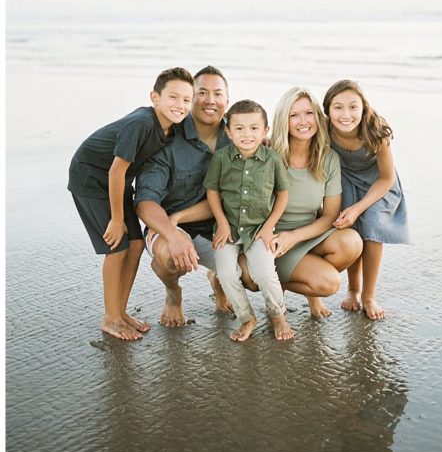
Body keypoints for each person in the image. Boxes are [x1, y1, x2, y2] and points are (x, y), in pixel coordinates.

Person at [68, 67, 194, 341]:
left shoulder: (170, 127)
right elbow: (115, 170)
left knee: (135, 245)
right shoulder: (141, 123)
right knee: (117, 247)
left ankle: (120, 311)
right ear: (155, 97)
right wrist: (116, 219)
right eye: (173, 97)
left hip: (119, 183)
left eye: (187, 99)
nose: (180, 105)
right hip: (91, 178)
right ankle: (110, 317)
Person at [135, 65, 234, 326]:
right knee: (170, 257)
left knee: (249, 275)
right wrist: (171, 232)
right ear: (191, 96)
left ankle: (219, 279)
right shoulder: (167, 137)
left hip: (219, 225)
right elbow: (145, 202)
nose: (210, 100)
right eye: (201, 92)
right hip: (168, 226)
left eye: (218, 93)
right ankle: (173, 295)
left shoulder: (238, 137)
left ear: (228, 100)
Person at [269, 87, 364, 318]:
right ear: (284, 120)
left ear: (318, 117)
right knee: (329, 283)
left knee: (351, 241)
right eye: (294, 115)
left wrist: (295, 237)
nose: (303, 121)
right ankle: (272, 287)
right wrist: (282, 239)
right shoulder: (269, 153)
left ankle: (304, 290)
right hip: (273, 241)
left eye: (309, 113)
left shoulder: (328, 157)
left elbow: (330, 216)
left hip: (307, 234)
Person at [204, 99, 291, 341]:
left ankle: (277, 315)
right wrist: (221, 222)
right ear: (228, 132)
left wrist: (269, 227)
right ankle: (247, 318)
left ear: (265, 131)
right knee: (226, 273)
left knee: (264, 274)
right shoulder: (221, 158)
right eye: (239, 128)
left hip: (258, 230)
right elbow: (213, 191)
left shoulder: (272, 159)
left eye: (254, 128)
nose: (247, 134)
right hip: (228, 229)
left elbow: (283, 194)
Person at [323, 80, 409, 320]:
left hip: (377, 184)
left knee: (370, 224)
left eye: (353, 107)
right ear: (327, 110)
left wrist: (359, 208)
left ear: (363, 108)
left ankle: (369, 296)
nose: (346, 114)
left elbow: (387, 178)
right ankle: (353, 290)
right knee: (349, 226)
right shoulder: (325, 128)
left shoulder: (376, 131)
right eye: (338, 107)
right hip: (346, 180)